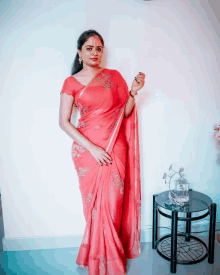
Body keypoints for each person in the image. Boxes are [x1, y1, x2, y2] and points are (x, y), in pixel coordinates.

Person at [59, 29, 145, 275]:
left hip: (114, 149)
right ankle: (99, 258)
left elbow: (124, 114)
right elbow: (64, 122)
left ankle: (111, 258)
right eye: (89, 48)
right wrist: (93, 148)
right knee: (94, 208)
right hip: (88, 152)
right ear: (80, 53)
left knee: (112, 205)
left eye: (99, 48)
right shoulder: (71, 82)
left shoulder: (114, 77)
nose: (95, 52)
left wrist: (133, 93)